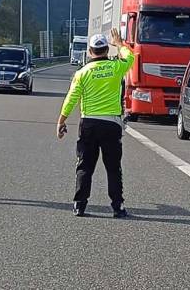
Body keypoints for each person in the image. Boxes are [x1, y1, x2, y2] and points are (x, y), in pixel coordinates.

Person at [57, 29, 135, 218]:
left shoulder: (82, 73)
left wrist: (61, 120)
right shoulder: (117, 67)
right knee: (113, 167)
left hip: (89, 123)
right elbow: (130, 57)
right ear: (106, 50)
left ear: (90, 52)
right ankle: (118, 207)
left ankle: (79, 205)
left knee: (85, 166)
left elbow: (72, 98)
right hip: (111, 124)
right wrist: (120, 44)